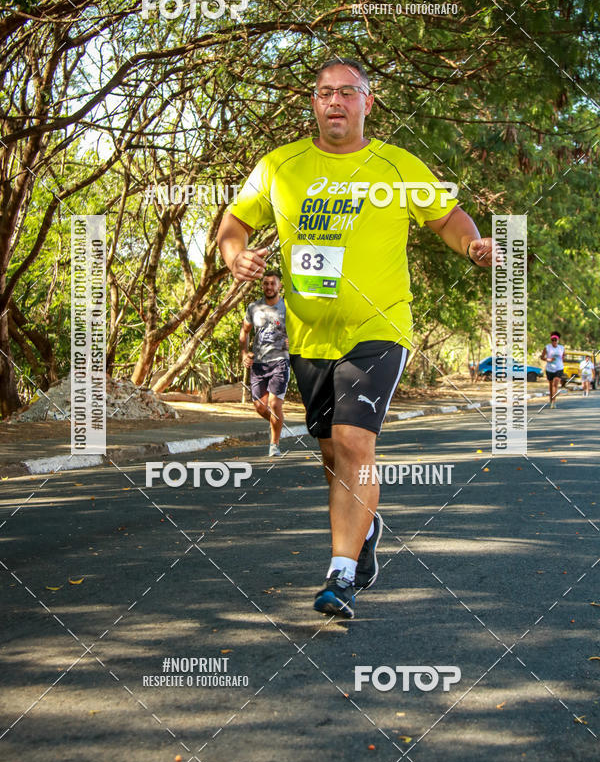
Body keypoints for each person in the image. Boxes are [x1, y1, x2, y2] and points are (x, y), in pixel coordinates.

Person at [217, 57, 496, 620]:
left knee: (352, 442)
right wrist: (233, 254)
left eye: (348, 92)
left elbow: (446, 217)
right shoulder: (280, 166)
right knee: (331, 453)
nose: (335, 101)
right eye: (325, 92)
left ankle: (339, 576)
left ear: (368, 103)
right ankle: (366, 530)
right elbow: (236, 221)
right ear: (314, 102)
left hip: (379, 327)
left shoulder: (396, 166)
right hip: (309, 336)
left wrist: (471, 245)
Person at [240, 271, 290, 457]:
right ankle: (277, 424)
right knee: (260, 407)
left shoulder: (287, 306)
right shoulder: (254, 308)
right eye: (266, 283)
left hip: (280, 361)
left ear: (279, 286)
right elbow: (244, 332)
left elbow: (303, 328)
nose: (269, 287)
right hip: (259, 363)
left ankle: (274, 444)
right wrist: (244, 353)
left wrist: (294, 341)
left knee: (274, 404)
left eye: (273, 283)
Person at [541, 331, 565, 408]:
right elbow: (542, 357)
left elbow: (563, 357)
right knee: (551, 385)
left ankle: (554, 402)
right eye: (552, 340)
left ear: (558, 340)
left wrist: (560, 363)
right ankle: (551, 399)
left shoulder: (561, 348)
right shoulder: (547, 347)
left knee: (555, 383)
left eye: (556, 340)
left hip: (559, 368)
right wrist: (549, 360)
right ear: (551, 340)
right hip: (549, 369)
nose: (554, 341)